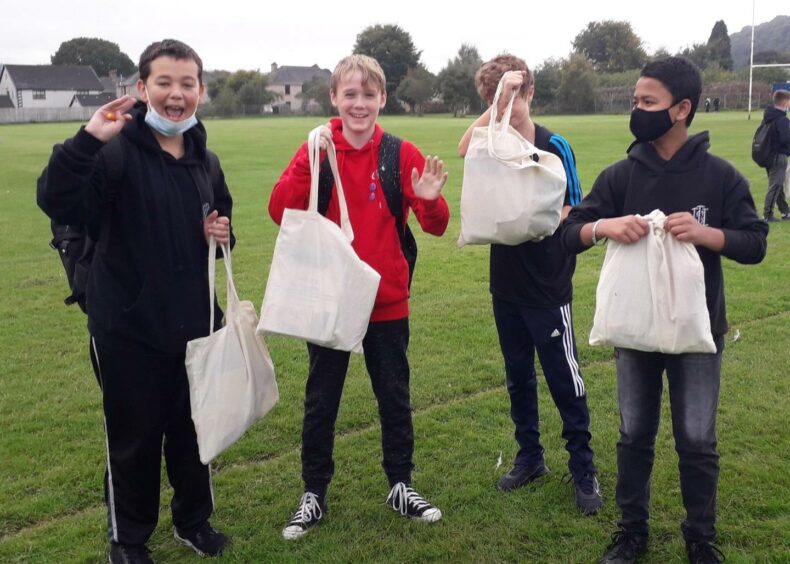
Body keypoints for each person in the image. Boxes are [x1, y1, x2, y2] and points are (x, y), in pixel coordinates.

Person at [562, 57, 767, 564]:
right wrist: (603, 227)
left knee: (697, 439)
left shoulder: (720, 176)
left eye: (646, 102)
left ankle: (700, 537)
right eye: (635, 101)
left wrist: (706, 234)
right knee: (634, 434)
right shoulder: (621, 175)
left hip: (698, 333)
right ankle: (632, 531)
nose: (637, 110)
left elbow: (754, 242)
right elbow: (568, 235)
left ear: (681, 109)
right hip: (635, 332)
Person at [37, 39, 233, 564]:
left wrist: (221, 233)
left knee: (194, 437)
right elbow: (56, 199)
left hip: (194, 328)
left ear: (200, 91)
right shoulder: (112, 153)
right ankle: (128, 540)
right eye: (164, 83)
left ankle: (194, 521)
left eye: (187, 84)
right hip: (127, 332)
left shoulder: (204, 160)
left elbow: (223, 233)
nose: (176, 95)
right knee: (134, 442)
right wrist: (85, 141)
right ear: (142, 89)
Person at [268, 54, 450, 540]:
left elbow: (436, 226)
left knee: (394, 396)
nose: (359, 104)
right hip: (329, 300)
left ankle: (400, 484)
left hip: (387, 302)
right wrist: (311, 162)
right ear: (334, 98)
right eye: (349, 94)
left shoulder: (399, 152)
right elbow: (277, 210)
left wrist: (429, 198)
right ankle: (313, 493)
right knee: (321, 399)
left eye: (369, 95)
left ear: (383, 99)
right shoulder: (316, 148)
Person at [457, 54, 601, 515]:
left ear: (531, 92)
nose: (509, 103)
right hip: (507, 283)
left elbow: (574, 208)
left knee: (564, 378)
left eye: (517, 93)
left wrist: (533, 223)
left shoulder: (554, 143)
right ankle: (530, 458)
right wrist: (496, 103)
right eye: (500, 96)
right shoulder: (492, 142)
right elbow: (464, 148)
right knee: (518, 376)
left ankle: (583, 468)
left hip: (547, 282)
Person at [761, 89, 790, 222]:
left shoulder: (768, 116)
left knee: (777, 184)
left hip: (768, 155)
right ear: (785, 102)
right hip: (779, 156)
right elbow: (785, 139)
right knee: (776, 185)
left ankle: (785, 211)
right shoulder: (782, 120)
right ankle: (767, 214)